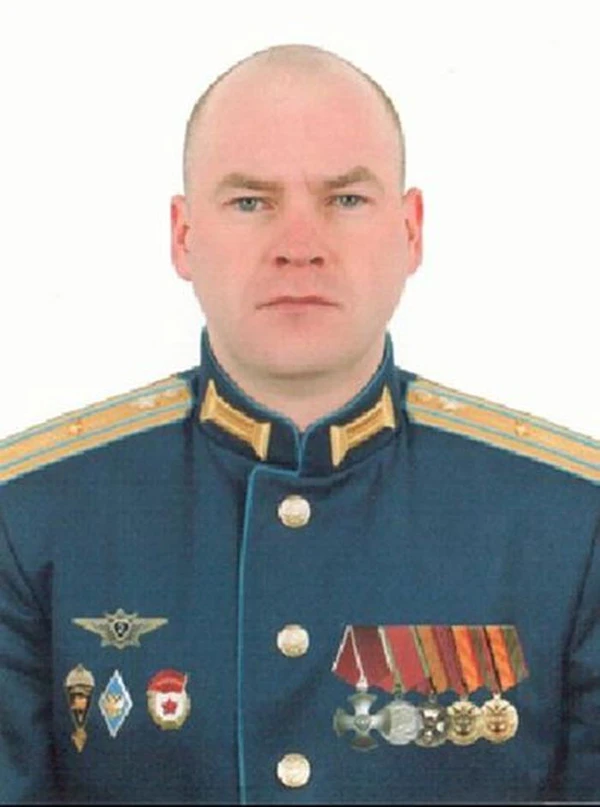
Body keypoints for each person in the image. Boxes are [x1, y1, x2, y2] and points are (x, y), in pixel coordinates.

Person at [0, 42, 598, 805]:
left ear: (411, 230)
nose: (299, 247)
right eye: (251, 202)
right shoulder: (31, 517)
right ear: (183, 236)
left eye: (345, 200)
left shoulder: (570, 523)